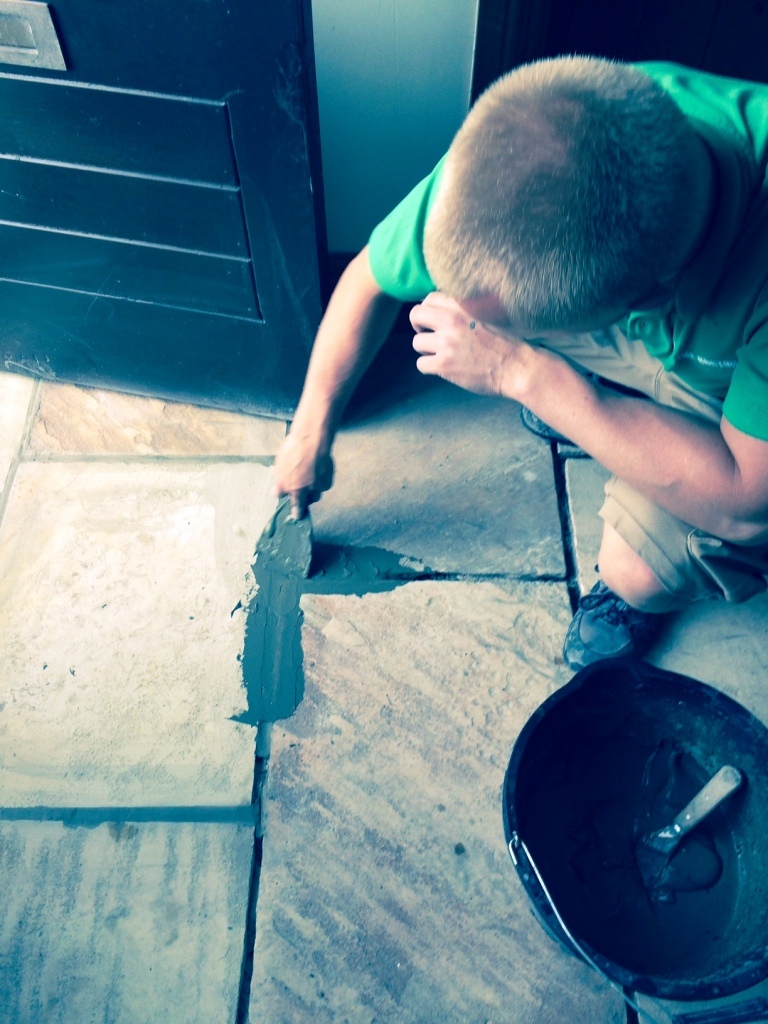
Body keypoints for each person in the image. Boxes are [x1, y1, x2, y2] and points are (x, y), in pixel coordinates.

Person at [273, 55, 768, 670]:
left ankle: (604, 422)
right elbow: (366, 281)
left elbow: (745, 503)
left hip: (736, 403)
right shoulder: (536, 143)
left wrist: (525, 375)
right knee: (472, 302)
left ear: (638, 305)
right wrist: (310, 426)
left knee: (632, 568)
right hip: (662, 306)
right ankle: (605, 402)